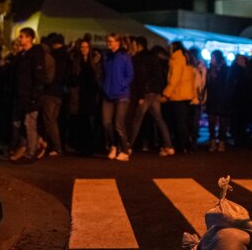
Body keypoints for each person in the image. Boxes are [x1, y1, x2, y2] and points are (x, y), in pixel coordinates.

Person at [129, 36, 174, 156]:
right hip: (155, 92)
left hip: (146, 92)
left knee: (137, 120)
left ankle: (128, 145)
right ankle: (169, 146)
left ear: (138, 45)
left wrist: (141, 94)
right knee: (159, 119)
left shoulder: (139, 58)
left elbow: (140, 77)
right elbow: (159, 75)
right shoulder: (153, 57)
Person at [10, 28, 47, 162]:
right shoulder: (22, 55)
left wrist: (34, 95)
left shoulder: (35, 55)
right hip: (21, 94)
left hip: (30, 95)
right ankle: (29, 146)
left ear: (30, 38)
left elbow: (38, 77)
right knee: (22, 124)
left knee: (29, 123)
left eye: (22, 37)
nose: (20, 39)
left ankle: (31, 152)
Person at [101, 33, 134, 161]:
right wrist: (103, 86)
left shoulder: (124, 56)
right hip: (108, 93)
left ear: (118, 42)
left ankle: (125, 150)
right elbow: (103, 74)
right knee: (106, 122)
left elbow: (130, 75)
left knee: (118, 124)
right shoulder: (107, 57)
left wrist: (121, 85)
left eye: (111, 41)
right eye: (108, 41)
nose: (109, 43)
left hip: (122, 94)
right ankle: (113, 145)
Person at [68, 38, 102, 155]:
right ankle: (81, 145)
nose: (84, 49)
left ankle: (89, 146)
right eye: (82, 47)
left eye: (86, 47)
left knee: (89, 120)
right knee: (80, 120)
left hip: (90, 94)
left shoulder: (94, 60)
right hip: (79, 93)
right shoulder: (75, 60)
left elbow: (97, 77)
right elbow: (72, 76)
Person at [163, 41, 196, 153]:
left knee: (179, 122)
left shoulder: (177, 58)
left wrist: (167, 93)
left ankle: (186, 145)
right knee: (182, 121)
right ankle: (183, 145)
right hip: (187, 94)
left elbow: (175, 77)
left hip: (178, 94)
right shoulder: (187, 56)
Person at [41, 33, 69, 156]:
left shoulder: (53, 57)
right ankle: (55, 145)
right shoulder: (67, 57)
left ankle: (56, 146)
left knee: (49, 120)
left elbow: (49, 75)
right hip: (60, 93)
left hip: (50, 91)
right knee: (54, 120)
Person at [206, 50, 230, 152]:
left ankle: (221, 141)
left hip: (222, 98)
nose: (212, 59)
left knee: (222, 122)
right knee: (211, 121)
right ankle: (212, 141)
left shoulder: (225, 69)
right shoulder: (209, 69)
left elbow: (227, 84)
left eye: (213, 57)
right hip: (212, 98)